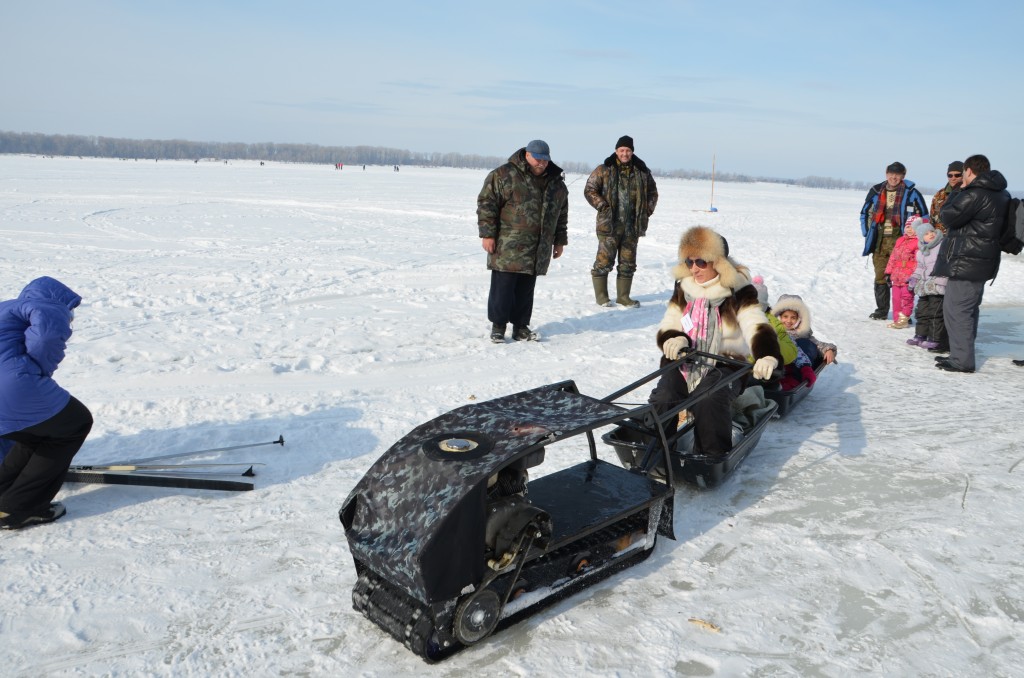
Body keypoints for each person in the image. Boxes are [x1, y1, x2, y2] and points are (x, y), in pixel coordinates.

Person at [650, 226, 782, 457]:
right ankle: (659, 451)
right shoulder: (684, 287)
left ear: (718, 262)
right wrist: (674, 338)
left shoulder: (738, 290)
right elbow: (670, 321)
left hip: (726, 363)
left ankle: (711, 455)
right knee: (664, 396)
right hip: (686, 360)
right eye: (689, 262)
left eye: (701, 262)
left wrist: (767, 355)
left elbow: (755, 323)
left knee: (708, 398)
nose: (694, 268)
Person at [0, 277, 93, 530]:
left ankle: (4, 495)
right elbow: (45, 339)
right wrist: (37, 368)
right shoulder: (48, 305)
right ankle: (19, 509)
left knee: (33, 434)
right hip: (13, 385)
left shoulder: (6, 309)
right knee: (75, 423)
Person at [478, 140, 568, 343]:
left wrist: (559, 241)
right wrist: (487, 234)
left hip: (537, 246)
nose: (542, 163)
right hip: (507, 245)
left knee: (526, 290)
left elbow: (561, 215)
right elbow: (487, 204)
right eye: (538, 159)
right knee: (503, 288)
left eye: (545, 160)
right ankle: (498, 327)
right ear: (527, 155)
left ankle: (521, 327)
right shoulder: (504, 175)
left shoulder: (556, 183)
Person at [933, 154, 1011, 373]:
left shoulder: (975, 193)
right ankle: (960, 354)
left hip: (966, 261)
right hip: (982, 261)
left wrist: (958, 191)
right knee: (968, 310)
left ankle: (962, 360)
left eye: (962, 174)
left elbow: (947, 216)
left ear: (968, 171)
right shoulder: (1001, 193)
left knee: (957, 310)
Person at [584, 135, 659, 308]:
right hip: (609, 225)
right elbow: (590, 189)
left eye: (628, 150)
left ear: (632, 152)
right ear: (616, 151)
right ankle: (602, 297)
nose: (625, 153)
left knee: (628, 263)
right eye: (622, 150)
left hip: (632, 226)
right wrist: (602, 205)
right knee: (603, 261)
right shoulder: (604, 169)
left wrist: (646, 211)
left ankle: (623, 297)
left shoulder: (642, 171)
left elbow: (653, 193)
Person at [859, 162, 929, 320]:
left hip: (903, 243)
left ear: (903, 176)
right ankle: (881, 311)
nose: (894, 177)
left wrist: (919, 238)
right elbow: (864, 213)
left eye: (897, 174)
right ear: (886, 173)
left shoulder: (912, 193)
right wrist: (867, 232)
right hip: (879, 242)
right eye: (891, 173)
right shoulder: (876, 191)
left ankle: (904, 313)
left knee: (903, 279)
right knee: (880, 276)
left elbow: (924, 217)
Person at [906, 217, 948, 350]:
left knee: (935, 314)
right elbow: (919, 268)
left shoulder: (941, 246)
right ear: (921, 238)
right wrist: (914, 278)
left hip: (936, 286)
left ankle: (934, 338)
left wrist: (941, 280)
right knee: (922, 312)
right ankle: (920, 335)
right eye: (926, 234)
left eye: (932, 232)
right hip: (924, 288)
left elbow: (946, 264)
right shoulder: (921, 252)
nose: (931, 234)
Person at [771, 294, 838, 369]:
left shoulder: (801, 334)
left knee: (805, 343)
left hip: (798, 367)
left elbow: (818, 345)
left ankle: (803, 369)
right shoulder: (772, 332)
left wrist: (829, 350)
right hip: (776, 364)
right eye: (785, 317)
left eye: (793, 318)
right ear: (779, 316)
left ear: (799, 319)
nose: (789, 321)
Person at [883, 216, 920, 329]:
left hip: (908, 276)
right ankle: (897, 320)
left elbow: (919, 261)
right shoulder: (900, 240)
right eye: (908, 227)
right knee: (896, 299)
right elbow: (893, 257)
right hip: (897, 275)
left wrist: (914, 275)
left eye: (913, 227)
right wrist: (888, 272)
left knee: (907, 298)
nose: (910, 229)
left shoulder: (918, 242)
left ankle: (904, 319)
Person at [930, 161, 964, 233]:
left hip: (959, 237)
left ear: (964, 175)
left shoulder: (969, 194)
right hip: (939, 237)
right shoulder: (939, 195)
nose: (953, 178)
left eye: (957, 175)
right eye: (950, 175)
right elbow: (932, 219)